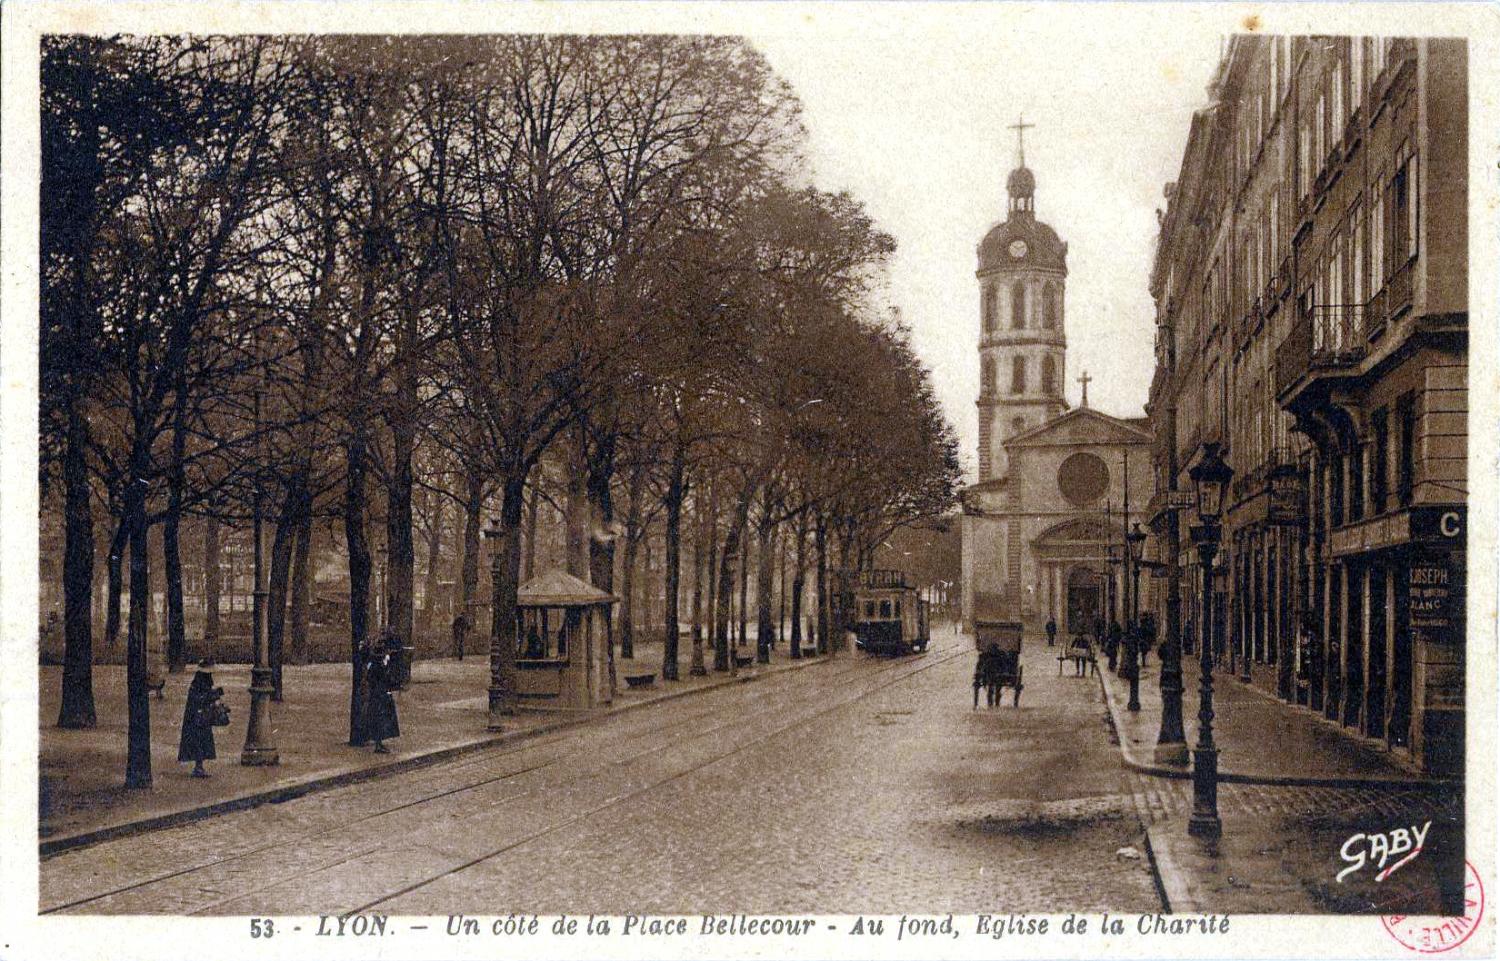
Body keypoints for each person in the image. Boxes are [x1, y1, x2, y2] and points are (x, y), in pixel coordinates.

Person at [178, 658, 224, 778]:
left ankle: (199, 766)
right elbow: (202, 697)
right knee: (201, 741)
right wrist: (215, 695)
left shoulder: (198, 681)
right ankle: (199, 767)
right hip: (199, 717)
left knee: (199, 742)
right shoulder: (202, 682)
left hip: (197, 716)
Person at [360, 638, 400, 753]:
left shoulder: (375, 664)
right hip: (379, 695)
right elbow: (381, 678)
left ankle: (379, 742)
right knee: (380, 719)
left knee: (380, 718)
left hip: (379, 694)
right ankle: (378, 743)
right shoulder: (378, 665)